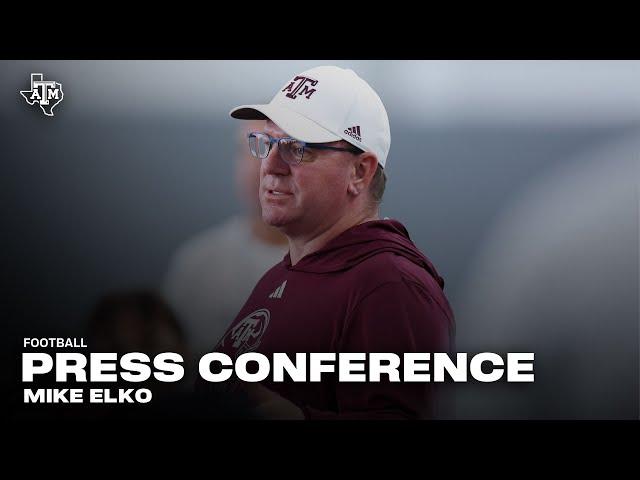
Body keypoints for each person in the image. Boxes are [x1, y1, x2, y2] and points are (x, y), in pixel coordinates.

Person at [203, 65, 455, 419]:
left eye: (296, 148)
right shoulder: (285, 276)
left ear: (360, 172)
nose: (270, 166)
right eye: (266, 144)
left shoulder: (391, 286)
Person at [163, 121, 288, 361]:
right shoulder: (196, 262)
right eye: (249, 149)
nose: (260, 166)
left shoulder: (345, 271)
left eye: (280, 149)